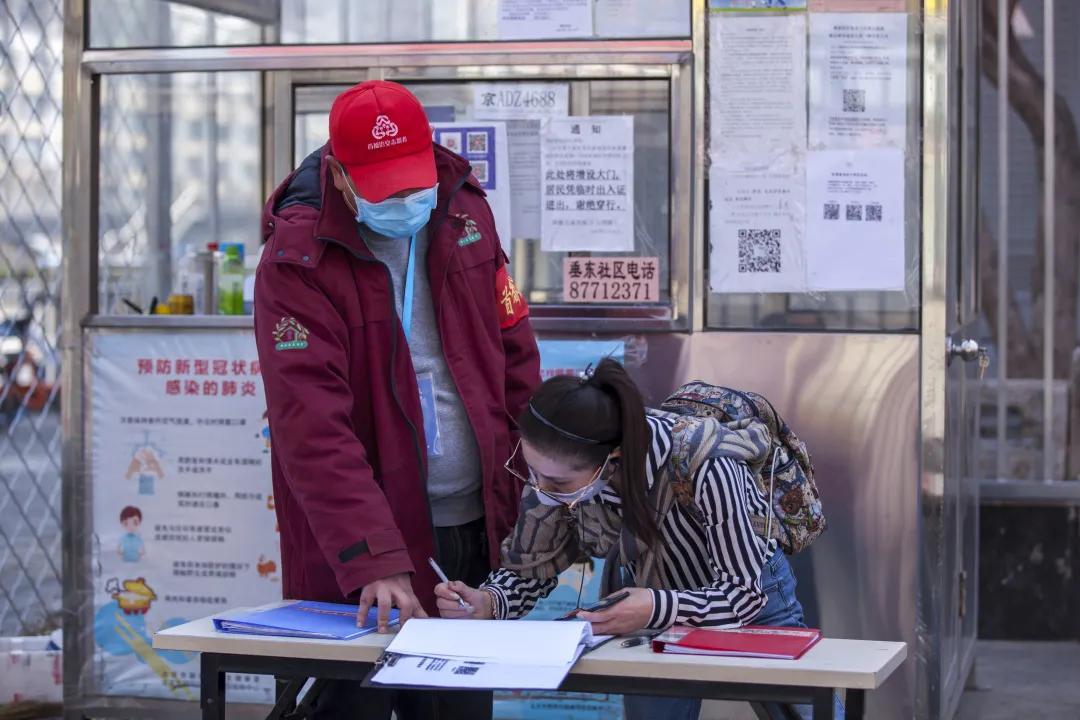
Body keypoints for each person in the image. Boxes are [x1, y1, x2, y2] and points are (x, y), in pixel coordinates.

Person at [255, 80, 541, 720]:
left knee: (455, 710)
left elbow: (515, 356)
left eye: (415, 182)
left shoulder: (465, 212)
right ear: (340, 174)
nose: (407, 201)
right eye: (386, 190)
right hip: (362, 549)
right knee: (345, 707)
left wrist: (535, 493)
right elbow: (312, 428)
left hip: (470, 528)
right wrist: (374, 558)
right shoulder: (297, 259)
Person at [435, 359, 842, 720]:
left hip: (745, 594)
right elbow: (531, 568)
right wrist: (489, 602)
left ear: (611, 461)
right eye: (533, 473)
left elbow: (743, 595)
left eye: (556, 483)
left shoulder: (708, 462)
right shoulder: (557, 475)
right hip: (649, 599)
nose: (541, 491)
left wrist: (654, 606)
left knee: (802, 707)